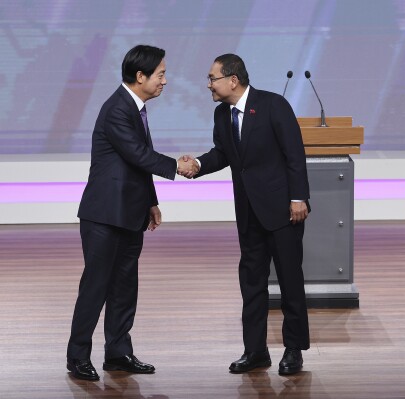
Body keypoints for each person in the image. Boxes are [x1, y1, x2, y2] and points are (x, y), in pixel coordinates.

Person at [66, 44, 198, 381]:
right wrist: (177, 166)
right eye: (161, 74)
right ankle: (77, 356)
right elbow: (138, 154)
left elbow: (135, 163)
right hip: (104, 215)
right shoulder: (117, 109)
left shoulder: (134, 107)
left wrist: (150, 202)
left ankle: (118, 353)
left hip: (130, 212)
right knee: (96, 286)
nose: (165, 81)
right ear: (140, 76)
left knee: (125, 285)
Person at [190, 53, 310, 375]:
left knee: (289, 281)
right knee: (252, 284)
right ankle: (255, 351)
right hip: (248, 213)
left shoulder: (273, 105)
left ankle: (294, 350)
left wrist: (299, 198)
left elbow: (294, 154)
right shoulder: (221, 114)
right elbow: (223, 154)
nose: (208, 85)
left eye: (212, 78)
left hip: (283, 211)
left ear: (233, 79)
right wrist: (199, 165)